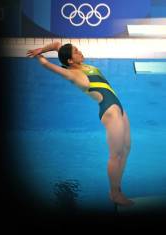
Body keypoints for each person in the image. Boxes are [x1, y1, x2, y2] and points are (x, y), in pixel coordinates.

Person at [27, 42, 133, 206]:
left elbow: (57, 45)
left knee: (126, 149)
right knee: (115, 155)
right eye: (76, 51)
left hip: (118, 107)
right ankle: (114, 193)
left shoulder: (79, 64)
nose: (80, 51)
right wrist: (40, 57)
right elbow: (47, 64)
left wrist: (41, 49)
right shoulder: (73, 74)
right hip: (110, 111)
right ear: (70, 61)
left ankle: (118, 188)